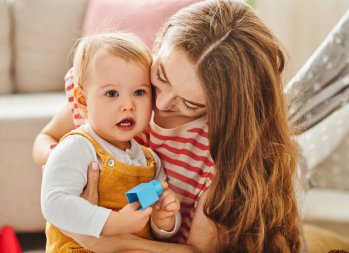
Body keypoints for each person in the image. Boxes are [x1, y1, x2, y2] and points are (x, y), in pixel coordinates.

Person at [33, 0, 302, 252]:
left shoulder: (220, 159)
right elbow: (46, 138)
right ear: (160, 43)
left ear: (223, 108)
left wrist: (113, 242)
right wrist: (67, 161)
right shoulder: (121, 83)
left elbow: (196, 250)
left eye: (190, 104)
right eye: (161, 76)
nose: (160, 102)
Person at [40, 32, 181, 253]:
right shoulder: (77, 147)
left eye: (139, 92)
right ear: (83, 101)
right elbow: (54, 203)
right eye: (112, 93)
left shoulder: (149, 160)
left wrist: (163, 220)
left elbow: (155, 230)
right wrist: (113, 222)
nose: (128, 104)